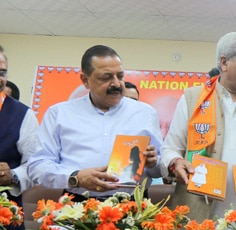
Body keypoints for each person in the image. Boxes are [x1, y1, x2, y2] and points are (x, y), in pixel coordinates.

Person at [161, 31, 236, 220]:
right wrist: (176, 162)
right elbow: (170, 148)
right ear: (224, 62)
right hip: (196, 210)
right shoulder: (192, 98)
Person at [28, 45, 161, 201]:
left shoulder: (145, 113)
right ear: (85, 80)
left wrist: (153, 163)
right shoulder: (59, 114)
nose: (117, 84)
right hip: (76, 204)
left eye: (120, 76)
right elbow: (38, 166)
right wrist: (75, 177)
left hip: (132, 204)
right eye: (106, 77)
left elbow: (159, 168)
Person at [0, 45, 39, 230]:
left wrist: (13, 176)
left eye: (2, 72)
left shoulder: (23, 115)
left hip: (5, 221)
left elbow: (35, 165)